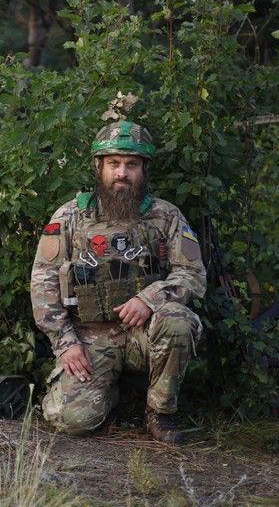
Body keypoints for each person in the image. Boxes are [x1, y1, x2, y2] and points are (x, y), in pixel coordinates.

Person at [30, 120, 206, 444]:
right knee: (69, 420)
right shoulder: (70, 216)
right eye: (114, 164)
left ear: (144, 169)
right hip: (90, 337)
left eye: (131, 165)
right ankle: (109, 393)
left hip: (145, 333)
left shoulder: (166, 216)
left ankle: (160, 411)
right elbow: (43, 285)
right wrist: (65, 343)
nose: (122, 173)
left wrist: (151, 298)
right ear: (99, 166)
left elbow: (193, 274)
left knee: (180, 321)